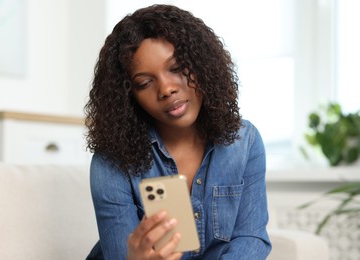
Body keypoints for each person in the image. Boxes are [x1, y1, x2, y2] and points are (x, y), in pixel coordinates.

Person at [85, 4, 271, 260]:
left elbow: (250, 237)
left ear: (202, 64)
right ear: (129, 96)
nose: (166, 89)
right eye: (144, 83)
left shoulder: (244, 142)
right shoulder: (111, 162)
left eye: (176, 68)